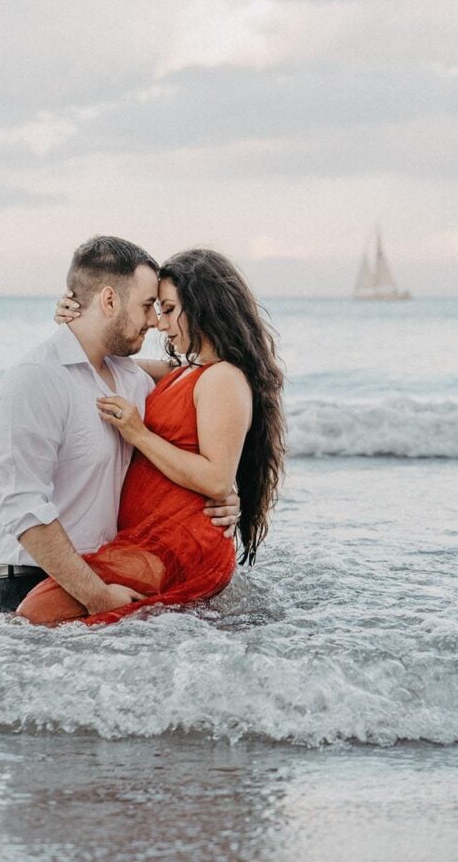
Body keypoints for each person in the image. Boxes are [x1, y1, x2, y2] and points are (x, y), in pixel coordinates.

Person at [17, 247, 286, 626]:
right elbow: (100, 361)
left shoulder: (224, 376)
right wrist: (78, 323)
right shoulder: (182, 373)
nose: (160, 324)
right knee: (50, 619)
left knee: (35, 612)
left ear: (206, 306)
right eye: (157, 309)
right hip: (154, 540)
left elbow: (216, 479)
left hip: (179, 543)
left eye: (170, 309)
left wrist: (138, 434)